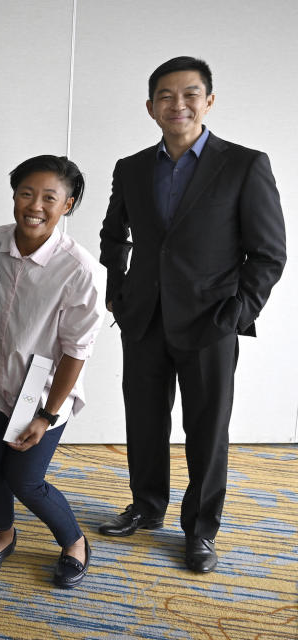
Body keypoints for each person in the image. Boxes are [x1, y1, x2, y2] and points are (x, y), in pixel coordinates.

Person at [98, 57, 287, 573]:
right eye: (165, 95)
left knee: (207, 429)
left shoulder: (246, 164)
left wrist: (234, 315)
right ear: (150, 106)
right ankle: (146, 505)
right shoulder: (131, 167)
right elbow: (114, 236)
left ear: (208, 100)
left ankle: (201, 530)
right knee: (143, 420)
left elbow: (268, 254)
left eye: (189, 94)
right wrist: (118, 291)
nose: (176, 104)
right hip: (143, 319)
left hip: (211, 322)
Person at [0, 155, 104, 589]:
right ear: (13, 194)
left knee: (24, 479)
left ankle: (74, 540)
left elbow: (75, 351)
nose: (35, 205)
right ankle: (4, 534)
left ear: (67, 206)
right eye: (27, 193)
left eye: (50, 197)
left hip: (44, 395)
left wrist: (47, 414)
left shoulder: (78, 268)